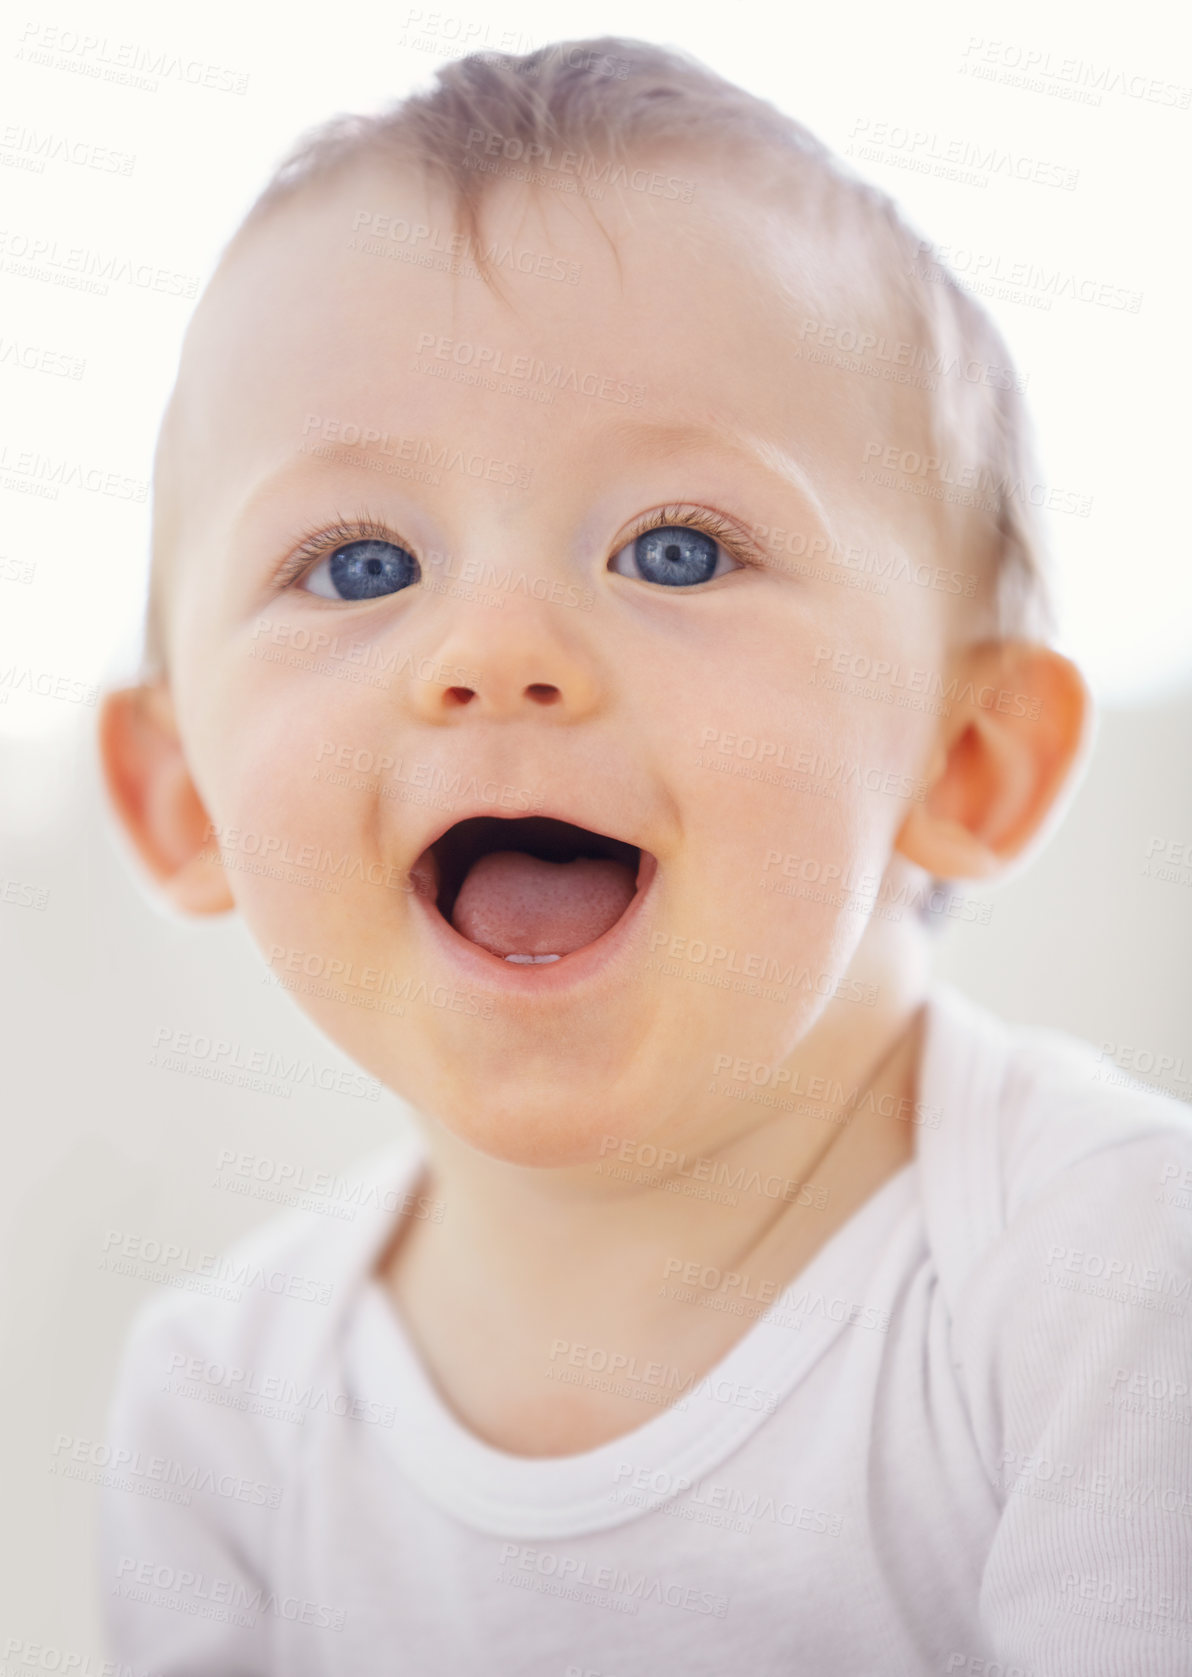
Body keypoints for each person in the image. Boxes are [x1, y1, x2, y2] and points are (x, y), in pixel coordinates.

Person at [96, 35, 1192, 1675]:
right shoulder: (224, 1413)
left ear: (964, 759)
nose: (494, 646)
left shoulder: (1105, 1278)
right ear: (183, 797)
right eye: (359, 560)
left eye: (674, 549)